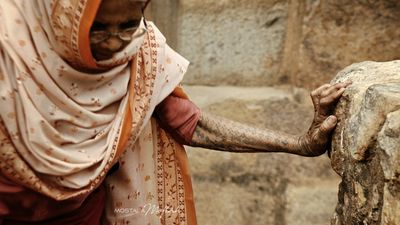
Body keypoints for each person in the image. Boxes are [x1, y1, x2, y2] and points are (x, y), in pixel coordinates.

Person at [0, 0, 351, 224]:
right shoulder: (10, 47)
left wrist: (298, 144)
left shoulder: (141, 53)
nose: (114, 44)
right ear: (59, 17)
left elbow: (190, 123)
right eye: (98, 28)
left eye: (126, 25)